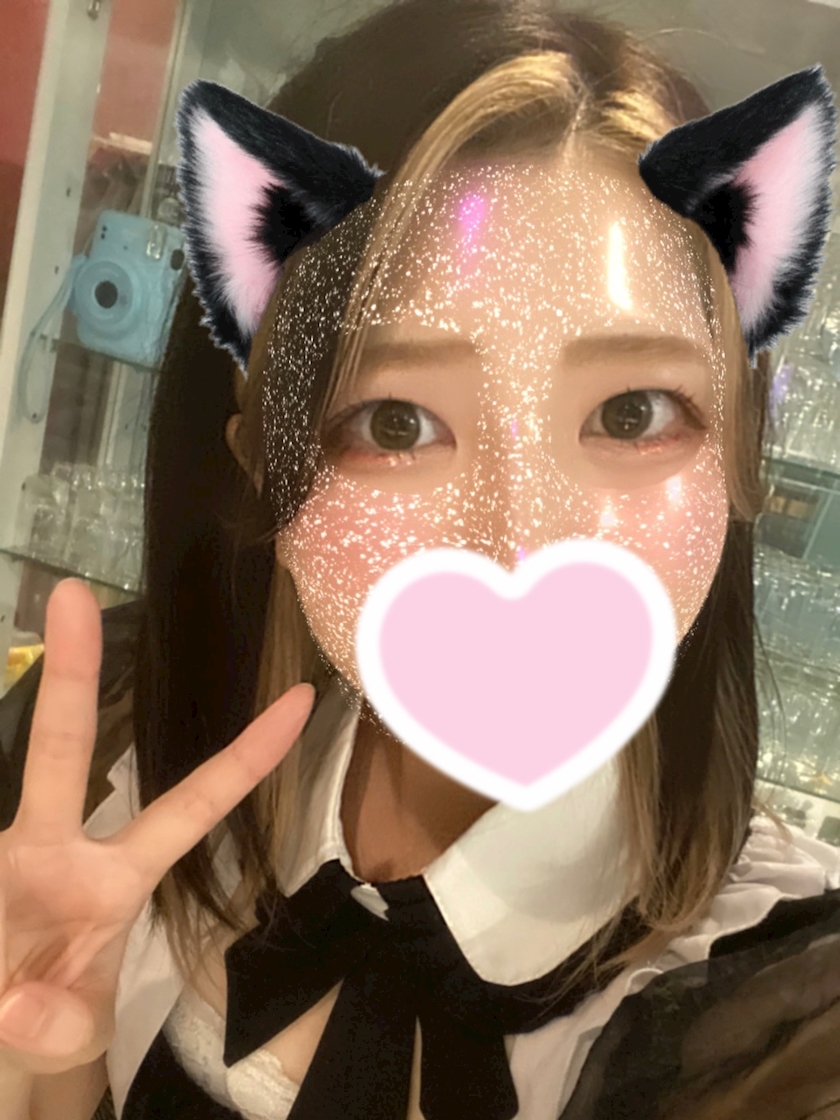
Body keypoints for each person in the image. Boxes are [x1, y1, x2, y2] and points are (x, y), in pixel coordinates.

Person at [1, 2, 839, 1119]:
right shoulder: (116, 774)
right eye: (395, 423)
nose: (519, 543)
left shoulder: (788, 1012)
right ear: (260, 460)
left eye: (634, 412)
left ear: (739, 451)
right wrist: (47, 1070)